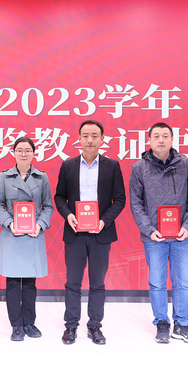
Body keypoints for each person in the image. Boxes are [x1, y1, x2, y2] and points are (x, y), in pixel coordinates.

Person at [54, 120, 126, 345]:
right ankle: (71, 325)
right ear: (79, 139)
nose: (90, 140)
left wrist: (104, 221)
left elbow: (120, 199)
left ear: (102, 139)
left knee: (98, 283)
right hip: (75, 232)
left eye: (95, 135)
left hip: (100, 234)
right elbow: (59, 197)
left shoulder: (112, 166)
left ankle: (95, 326)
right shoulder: (68, 166)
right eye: (85, 135)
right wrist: (68, 215)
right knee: (72, 282)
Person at [129, 122, 188, 344]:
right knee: (157, 282)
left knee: (182, 282)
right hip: (154, 238)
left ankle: (182, 324)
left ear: (172, 139)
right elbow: (136, 203)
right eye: (156, 136)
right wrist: (149, 230)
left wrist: (187, 226)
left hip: (181, 236)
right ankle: (161, 322)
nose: (161, 140)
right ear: (149, 140)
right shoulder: (139, 168)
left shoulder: (186, 165)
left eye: (165, 136)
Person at [0, 137, 54, 341]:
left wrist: (40, 224)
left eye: (28, 150)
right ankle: (16, 325)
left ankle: (29, 323)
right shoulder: (4, 177)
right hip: (12, 234)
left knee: (29, 283)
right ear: (13, 153)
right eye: (19, 150)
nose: (23, 154)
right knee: (12, 283)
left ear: (33, 153)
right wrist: (9, 223)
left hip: (33, 234)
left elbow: (48, 206)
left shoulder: (41, 177)